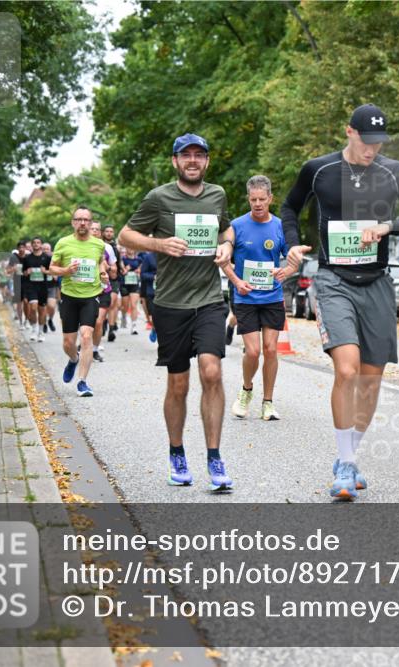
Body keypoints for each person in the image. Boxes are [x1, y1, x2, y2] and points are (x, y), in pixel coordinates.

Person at [281, 103, 399, 500]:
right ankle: (346, 463)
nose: (372, 150)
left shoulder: (393, 172)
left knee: (370, 379)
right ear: (349, 132)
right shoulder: (318, 169)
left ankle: (348, 454)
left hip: (377, 283)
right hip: (333, 280)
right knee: (347, 370)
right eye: (367, 141)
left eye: (379, 143)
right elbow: (289, 207)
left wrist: (388, 226)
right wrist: (290, 246)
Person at [118, 133, 235, 491]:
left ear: (207, 162)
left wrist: (227, 245)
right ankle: (177, 453)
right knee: (179, 383)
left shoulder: (217, 195)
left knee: (211, 372)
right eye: (186, 155)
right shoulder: (159, 198)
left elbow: (226, 228)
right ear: (175, 161)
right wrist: (158, 244)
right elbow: (125, 235)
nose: (193, 161)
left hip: (209, 299)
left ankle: (215, 459)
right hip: (170, 303)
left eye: (200, 155)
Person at [224, 175, 294, 421]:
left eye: (262, 199)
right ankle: (246, 389)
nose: (257, 204)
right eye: (253, 199)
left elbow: (292, 259)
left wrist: (286, 271)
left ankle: (268, 402)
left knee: (271, 349)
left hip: (272, 296)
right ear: (248, 199)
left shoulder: (279, 226)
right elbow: (224, 259)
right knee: (253, 352)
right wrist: (236, 281)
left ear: (270, 199)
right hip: (245, 298)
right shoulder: (237, 225)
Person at [49, 207, 108, 397]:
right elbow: (52, 269)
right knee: (68, 343)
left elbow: (99, 261)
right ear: (73, 222)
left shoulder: (99, 244)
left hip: (91, 295)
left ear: (91, 224)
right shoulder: (63, 243)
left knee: (86, 336)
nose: (82, 223)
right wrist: (66, 271)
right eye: (78, 219)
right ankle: (73, 359)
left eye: (86, 220)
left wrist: (102, 273)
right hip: (69, 296)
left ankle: (82, 382)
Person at [89, 221, 117, 362]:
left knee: (99, 322)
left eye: (97, 229)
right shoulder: (81, 247)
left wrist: (108, 268)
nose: (94, 231)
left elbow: (114, 273)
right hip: (86, 290)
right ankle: (86, 344)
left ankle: (94, 350)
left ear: (100, 233)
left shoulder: (107, 248)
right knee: (88, 322)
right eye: (92, 229)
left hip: (103, 289)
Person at [22, 236, 51, 342]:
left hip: (43, 286)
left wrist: (46, 272)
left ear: (41, 245)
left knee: (42, 310)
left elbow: (52, 271)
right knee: (33, 308)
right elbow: (23, 273)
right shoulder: (27, 258)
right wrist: (27, 273)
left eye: (38, 242)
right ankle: (34, 329)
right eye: (34, 243)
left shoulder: (47, 258)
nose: (36, 244)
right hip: (31, 286)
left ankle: (41, 331)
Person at [103, 224, 122, 341]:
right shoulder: (100, 245)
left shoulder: (116, 247)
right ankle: (104, 321)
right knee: (106, 303)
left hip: (115, 278)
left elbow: (119, 261)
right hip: (103, 277)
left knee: (112, 303)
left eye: (111, 231)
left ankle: (111, 329)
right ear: (103, 233)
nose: (109, 233)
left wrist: (122, 268)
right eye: (107, 231)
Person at [120, 247, 142, 335]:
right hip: (125, 284)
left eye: (132, 247)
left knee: (133, 305)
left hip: (135, 284)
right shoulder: (123, 259)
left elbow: (141, 269)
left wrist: (139, 271)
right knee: (125, 306)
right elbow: (121, 271)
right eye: (129, 247)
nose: (131, 249)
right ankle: (124, 315)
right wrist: (125, 270)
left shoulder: (139, 259)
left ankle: (134, 326)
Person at [139, 250, 158, 342]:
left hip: (167, 292)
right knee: (153, 317)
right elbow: (143, 274)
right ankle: (154, 328)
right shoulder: (149, 257)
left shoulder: (169, 255)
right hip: (152, 292)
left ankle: (162, 336)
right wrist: (154, 277)